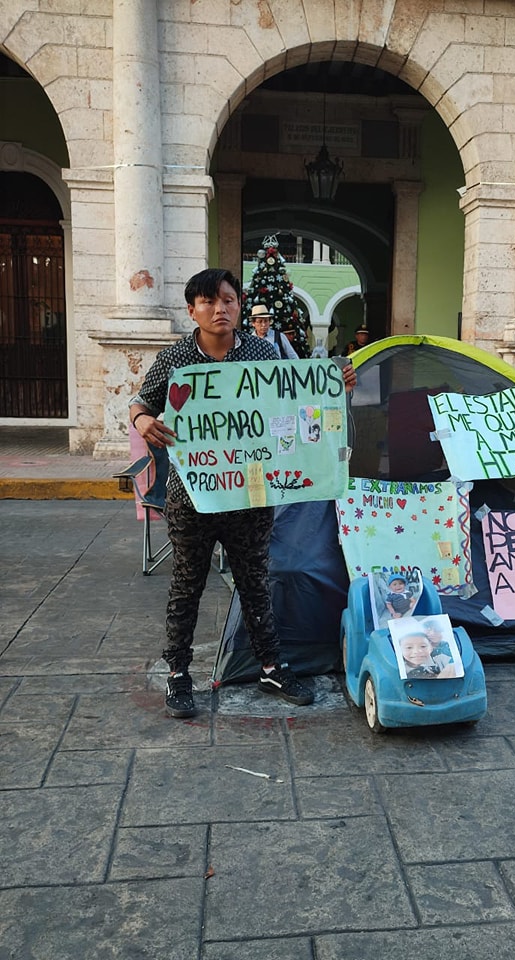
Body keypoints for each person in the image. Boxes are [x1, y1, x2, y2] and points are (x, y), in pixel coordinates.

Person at [129, 268, 357, 719]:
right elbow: (140, 401)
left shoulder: (259, 351)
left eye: (229, 300)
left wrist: (334, 387)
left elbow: (297, 398)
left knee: (256, 583)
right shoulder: (176, 360)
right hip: (193, 495)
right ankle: (178, 674)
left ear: (239, 305)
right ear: (192, 309)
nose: (221, 310)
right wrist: (141, 421)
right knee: (186, 586)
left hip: (251, 494)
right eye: (210, 302)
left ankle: (271, 666)